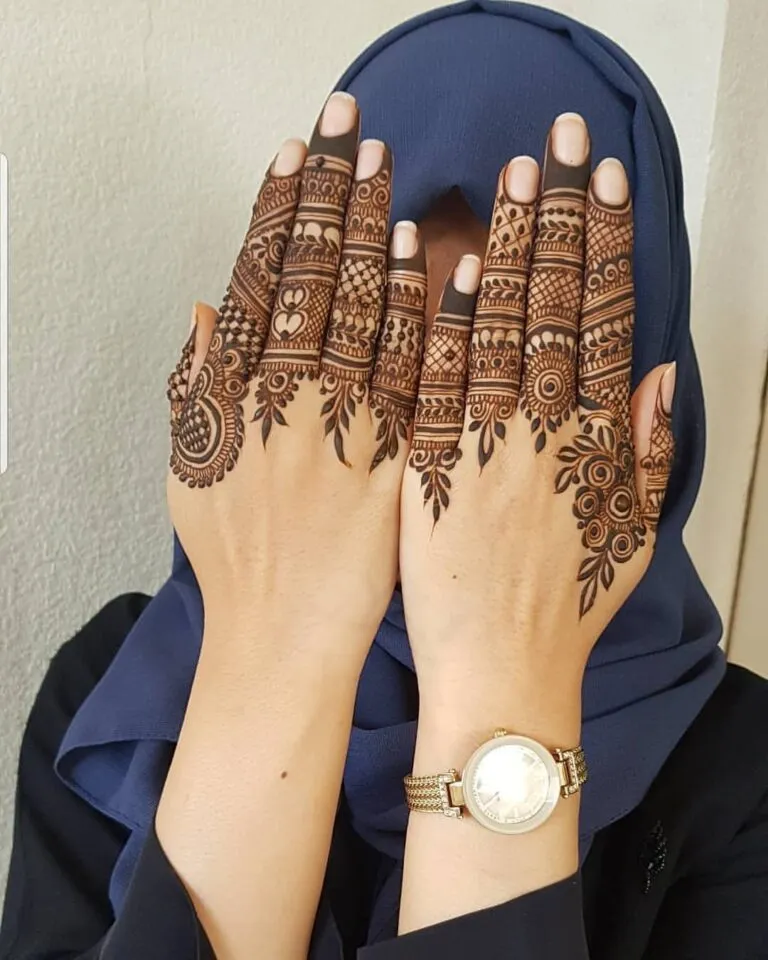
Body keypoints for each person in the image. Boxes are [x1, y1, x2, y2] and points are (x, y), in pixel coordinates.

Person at [2, 2, 768, 958]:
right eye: (387, 371)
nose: (452, 473)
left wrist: (506, 675)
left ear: (641, 407)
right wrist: (281, 637)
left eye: (515, 403)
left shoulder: (740, 773)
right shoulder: (113, 693)